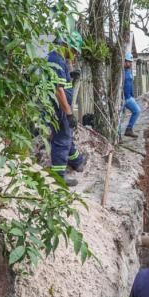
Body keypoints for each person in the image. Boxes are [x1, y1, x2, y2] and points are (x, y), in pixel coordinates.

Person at [47, 37, 87, 186]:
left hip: (61, 108)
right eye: (74, 51)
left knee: (67, 135)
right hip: (59, 108)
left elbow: (62, 82)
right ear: (66, 45)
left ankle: (76, 161)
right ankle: (59, 176)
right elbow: (58, 90)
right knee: (62, 139)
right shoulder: (56, 60)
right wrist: (69, 113)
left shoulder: (58, 58)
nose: (75, 55)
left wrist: (70, 76)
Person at [122, 52, 140, 138]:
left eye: (130, 61)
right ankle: (118, 136)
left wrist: (132, 95)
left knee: (137, 111)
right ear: (124, 61)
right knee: (120, 118)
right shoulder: (120, 72)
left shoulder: (129, 71)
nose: (130, 63)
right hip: (122, 98)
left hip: (129, 97)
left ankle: (129, 129)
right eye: (128, 61)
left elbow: (131, 83)